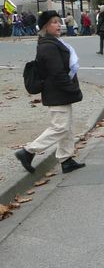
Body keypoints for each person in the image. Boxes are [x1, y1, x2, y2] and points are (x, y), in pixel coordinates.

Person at [15, 10, 85, 175]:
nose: (59, 25)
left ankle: (66, 160)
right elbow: (57, 72)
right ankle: (28, 152)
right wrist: (71, 88)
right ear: (45, 26)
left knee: (66, 127)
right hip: (56, 92)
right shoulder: (48, 46)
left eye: (58, 21)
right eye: (54, 22)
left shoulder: (53, 42)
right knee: (60, 127)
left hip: (59, 92)